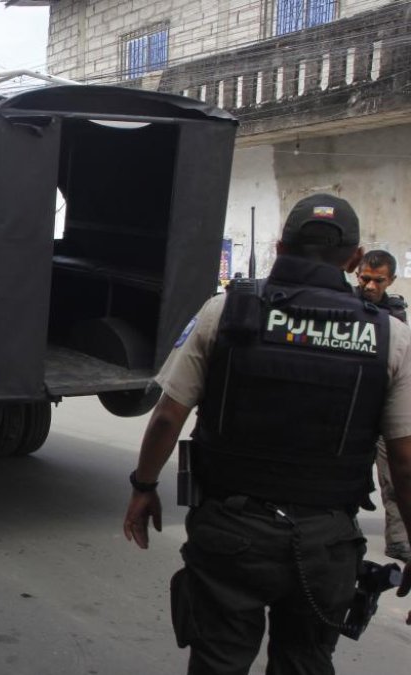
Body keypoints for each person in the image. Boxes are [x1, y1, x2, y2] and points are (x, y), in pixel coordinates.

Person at [122, 194, 411, 674]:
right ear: (355, 259)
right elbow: (403, 459)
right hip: (326, 543)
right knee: (304, 662)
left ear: (280, 246)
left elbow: (169, 416)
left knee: (217, 661)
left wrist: (143, 487)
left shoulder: (224, 313)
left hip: (231, 531)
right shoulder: (390, 337)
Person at [355, 249, 410, 562]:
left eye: (379, 280)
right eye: (366, 279)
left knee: (394, 476)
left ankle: (399, 539)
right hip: (353, 406)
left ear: (390, 280)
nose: (371, 286)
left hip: (385, 406)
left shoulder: (395, 313)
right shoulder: (345, 304)